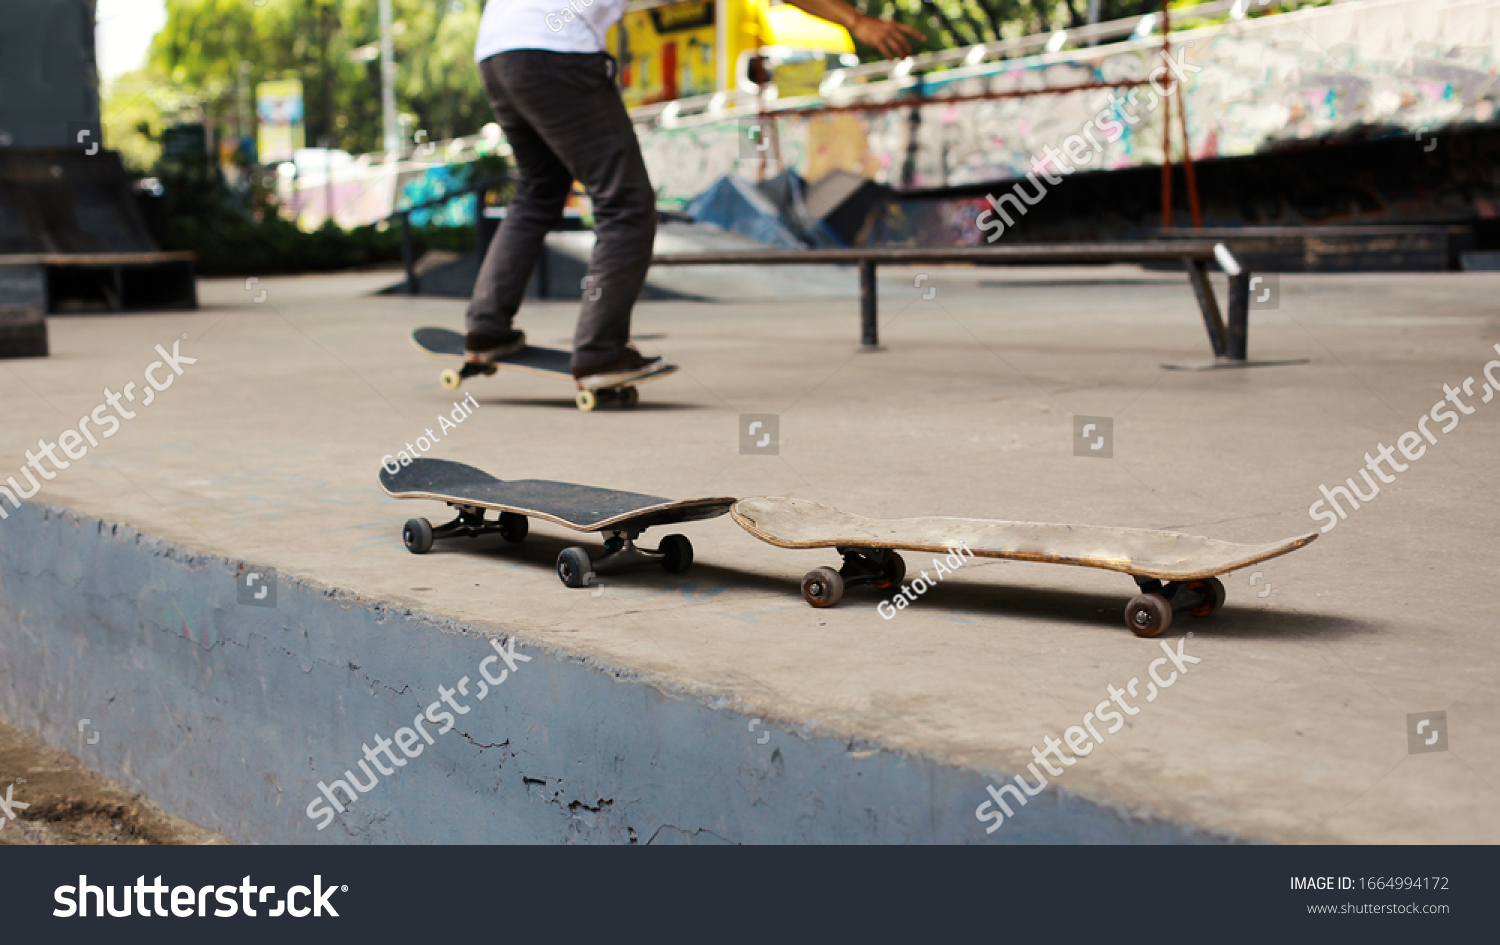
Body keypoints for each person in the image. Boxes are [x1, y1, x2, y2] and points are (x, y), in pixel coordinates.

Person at [464, 0, 923, 390]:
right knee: (625, 205)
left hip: (497, 52)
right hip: (556, 55)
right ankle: (599, 352)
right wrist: (858, 22)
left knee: (538, 190)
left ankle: (487, 327)